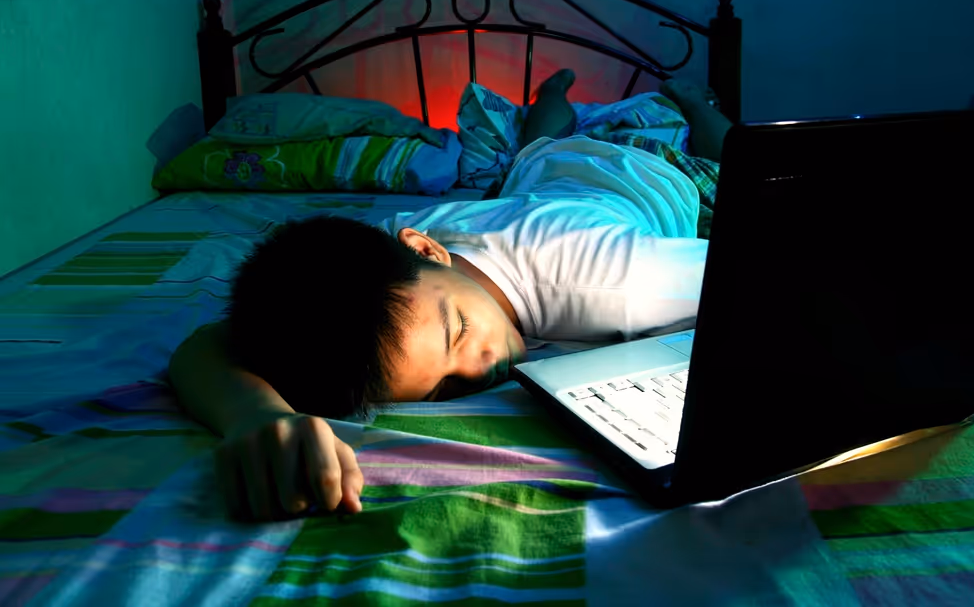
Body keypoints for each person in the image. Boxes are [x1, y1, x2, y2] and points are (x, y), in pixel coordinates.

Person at [168, 71, 734, 522]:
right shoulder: (381, 254)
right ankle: (551, 93)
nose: (482, 370)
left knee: (725, 158)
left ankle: (690, 99)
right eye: (442, 387)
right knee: (540, 140)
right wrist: (255, 416)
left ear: (426, 250)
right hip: (533, 176)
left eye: (458, 330)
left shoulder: (617, 282)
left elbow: (773, 278)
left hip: (648, 170)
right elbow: (210, 343)